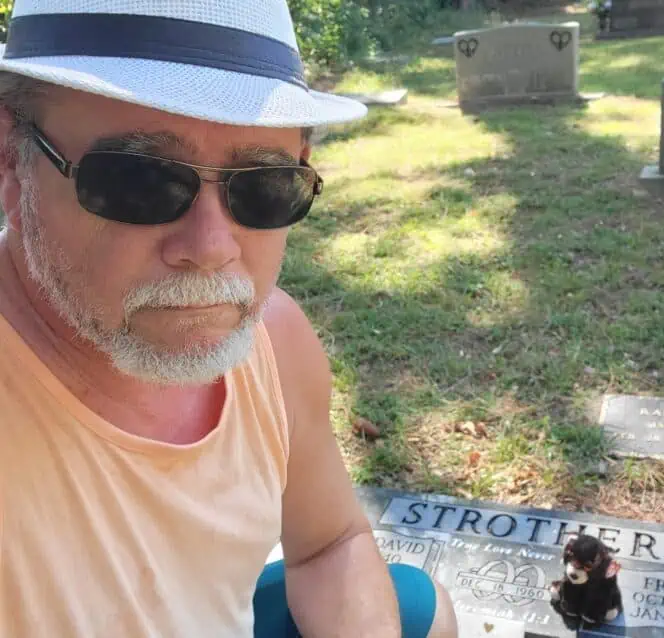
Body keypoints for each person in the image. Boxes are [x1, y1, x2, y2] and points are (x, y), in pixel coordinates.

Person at [0, 2, 459, 637]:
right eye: (141, 182)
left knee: (420, 609)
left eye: (264, 184)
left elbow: (330, 543)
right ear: (9, 159)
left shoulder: (274, 341)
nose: (213, 247)